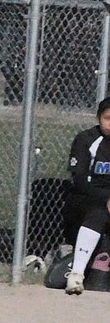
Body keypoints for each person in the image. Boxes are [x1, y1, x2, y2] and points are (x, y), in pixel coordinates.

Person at [64, 95, 110, 295]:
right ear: (99, 118)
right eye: (108, 118)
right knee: (99, 214)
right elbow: (79, 181)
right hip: (86, 200)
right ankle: (76, 274)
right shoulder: (86, 140)